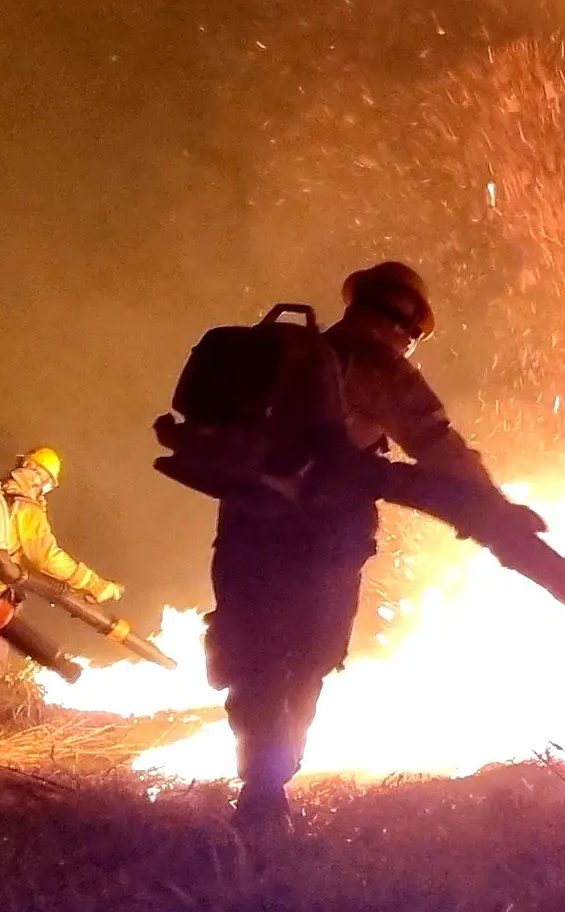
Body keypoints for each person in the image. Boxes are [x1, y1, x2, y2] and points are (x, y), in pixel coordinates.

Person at [205, 261, 494, 837]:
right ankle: (269, 790)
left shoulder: (289, 352)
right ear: (408, 325)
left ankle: (258, 788)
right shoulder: (380, 369)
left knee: (252, 653)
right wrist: (493, 505)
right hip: (322, 541)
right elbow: (439, 446)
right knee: (308, 658)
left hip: (245, 528)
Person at [0, 445, 120, 732]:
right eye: (49, 485)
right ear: (41, 477)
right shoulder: (26, 511)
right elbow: (47, 557)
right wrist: (94, 583)